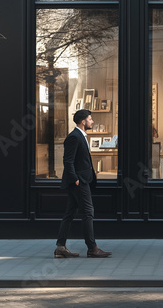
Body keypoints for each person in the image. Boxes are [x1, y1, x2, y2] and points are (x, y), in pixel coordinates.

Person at [54, 109, 111, 258]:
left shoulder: (81, 136)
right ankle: (92, 248)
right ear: (83, 121)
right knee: (88, 212)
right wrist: (75, 179)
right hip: (79, 181)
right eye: (90, 119)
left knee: (70, 213)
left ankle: (60, 247)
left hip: (81, 180)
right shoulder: (74, 137)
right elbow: (68, 160)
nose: (92, 122)